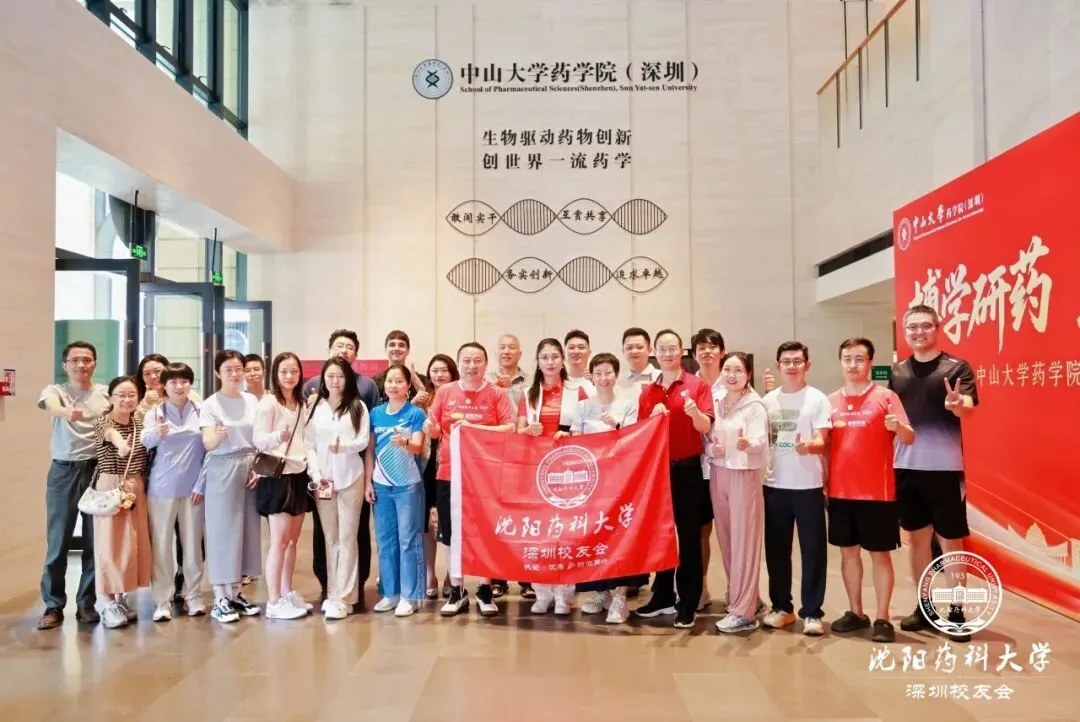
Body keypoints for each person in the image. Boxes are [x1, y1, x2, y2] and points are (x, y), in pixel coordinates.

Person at [890, 305, 979, 640]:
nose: (919, 332)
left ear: (937, 328)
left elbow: (967, 408)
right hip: (906, 467)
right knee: (916, 541)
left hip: (944, 469)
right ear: (905, 332)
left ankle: (957, 610)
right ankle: (924, 606)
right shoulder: (897, 372)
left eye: (925, 326)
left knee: (951, 540)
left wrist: (957, 405)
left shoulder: (956, 367)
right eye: (912, 327)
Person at [828, 337, 914, 643]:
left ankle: (882, 618)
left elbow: (909, 437)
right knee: (848, 554)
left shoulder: (886, 397)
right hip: (840, 492)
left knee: (880, 556)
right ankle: (856, 612)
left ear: (869, 363)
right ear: (841, 362)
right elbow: (824, 444)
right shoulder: (831, 401)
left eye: (859, 359)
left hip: (878, 493)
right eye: (847, 359)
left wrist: (898, 427)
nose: (853, 365)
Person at [425, 342, 516, 617]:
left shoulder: (497, 394)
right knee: (450, 533)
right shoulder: (445, 392)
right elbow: (434, 430)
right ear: (459, 364)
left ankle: (485, 590)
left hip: (485, 476)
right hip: (449, 474)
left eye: (477, 360)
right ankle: (457, 590)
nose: (472, 365)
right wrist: (431, 427)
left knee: (485, 532)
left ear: (486, 364)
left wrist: (472, 427)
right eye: (466, 360)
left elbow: (510, 428)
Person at [632, 329, 714, 629]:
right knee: (661, 535)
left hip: (688, 469)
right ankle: (662, 595)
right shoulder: (647, 391)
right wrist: (652, 418)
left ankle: (688, 601)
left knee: (689, 535)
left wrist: (694, 413)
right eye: (662, 348)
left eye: (672, 348)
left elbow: (705, 427)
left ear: (682, 351)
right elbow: (640, 434)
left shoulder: (697, 385)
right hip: (656, 471)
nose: (667, 353)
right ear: (654, 352)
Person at [303, 329, 380, 608]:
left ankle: (347, 597)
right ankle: (332, 593)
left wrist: (343, 447)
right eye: (330, 376)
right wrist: (316, 474)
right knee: (329, 538)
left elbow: (363, 440)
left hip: (351, 479)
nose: (335, 381)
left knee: (349, 538)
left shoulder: (358, 406)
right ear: (323, 378)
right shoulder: (314, 407)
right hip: (323, 481)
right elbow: (309, 443)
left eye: (340, 376)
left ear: (348, 378)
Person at [37, 341, 110, 630]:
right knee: (58, 542)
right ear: (65, 365)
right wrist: (66, 412)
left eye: (87, 360)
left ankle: (86, 603)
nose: (82, 365)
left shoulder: (104, 393)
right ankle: (53, 605)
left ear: (95, 364)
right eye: (75, 360)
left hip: (96, 471)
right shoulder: (55, 391)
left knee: (94, 542)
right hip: (63, 471)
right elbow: (52, 407)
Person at [760, 342, 831, 637]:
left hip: (808, 486)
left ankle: (812, 612)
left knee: (813, 550)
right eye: (786, 361)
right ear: (778, 366)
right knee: (777, 551)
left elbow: (822, 440)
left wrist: (810, 446)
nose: (792, 366)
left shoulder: (817, 399)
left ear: (807, 365)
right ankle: (782, 608)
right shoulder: (768, 400)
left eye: (797, 361)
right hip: (774, 485)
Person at [517, 338, 589, 615]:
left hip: (566, 469)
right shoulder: (528, 393)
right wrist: (528, 431)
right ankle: (542, 591)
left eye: (554, 357)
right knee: (539, 533)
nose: (550, 362)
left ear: (562, 360)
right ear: (538, 361)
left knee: (565, 532)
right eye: (544, 357)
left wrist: (570, 435)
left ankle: (564, 593)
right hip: (535, 469)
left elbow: (584, 427)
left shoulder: (576, 390)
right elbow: (518, 430)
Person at [571, 353, 644, 624]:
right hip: (592, 481)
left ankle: (621, 596)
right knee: (595, 533)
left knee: (621, 532)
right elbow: (576, 440)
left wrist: (618, 426)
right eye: (598, 373)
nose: (603, 377)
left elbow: (636, 438)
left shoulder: (627, 404)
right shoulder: (582, 406)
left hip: (621, 479)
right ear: (591, 376)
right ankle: (600, 591)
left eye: (608, 372)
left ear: (616, 375)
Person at [198, 350, 262, 624]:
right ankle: (220, 597)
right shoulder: (210, 404)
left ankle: (236, 592)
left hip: (250, 467)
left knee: (247, 531)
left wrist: (259, 467)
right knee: (223, 532)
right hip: (223, 466)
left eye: (238, 369)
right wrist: (218, 436)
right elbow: (207, 443)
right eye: (229, 369)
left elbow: (260, 437)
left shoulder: (252, 400)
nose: (235, 374)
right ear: (218, 373)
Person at [709, 352, 770, 634]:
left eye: (738, 370)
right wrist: (711, 448)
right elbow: (707, 436)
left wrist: (748, 444)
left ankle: (744, 612)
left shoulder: (754, 405)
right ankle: (745, 597)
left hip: (744, 474)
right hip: (719, 471)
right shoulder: (718, 399)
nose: (731, 375)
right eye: (727, 369)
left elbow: (760, 441)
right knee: (726, 538)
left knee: (744, 541)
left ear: (748, 375)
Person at [141, 362, 207, 621]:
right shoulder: (155, 413)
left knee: (193, 546)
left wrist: (201, 484)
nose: (179, 386)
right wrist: (156, 433)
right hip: (161, 489)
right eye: (173, 382)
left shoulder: (201, 411)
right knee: (161, 546)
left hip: (194, 490)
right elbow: (145, 441)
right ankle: (162, 600)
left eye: (184, 381)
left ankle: (193, 595)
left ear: (190, 384)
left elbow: (209, 450)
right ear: (164, 386)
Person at [253, 352, 312, 620]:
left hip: (299, 473)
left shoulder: (300, 402)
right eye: (284, 371)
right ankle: (274, 601)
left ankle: (287, 593)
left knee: (292, 540)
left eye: (294, 371)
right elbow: (258, 439)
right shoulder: (269, 403)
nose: (289, 376)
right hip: (276, 476)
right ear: (275, 374)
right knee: (278, 541)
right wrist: (278, 436)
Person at [366, 364, 429, 617]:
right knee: (385, 541)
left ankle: (409, 595)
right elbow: (370, 451)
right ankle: (390, 593)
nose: (393, 385)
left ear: (408, 386)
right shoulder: (375, 413)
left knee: (408, 540)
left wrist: (405, 443)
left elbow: (418, 447)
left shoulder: (415, 414)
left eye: (399, 381)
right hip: (380, 486)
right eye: (390, 381)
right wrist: (368, 482)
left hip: (408, 486)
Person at [92, 375, 153, 628]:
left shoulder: (140, 422)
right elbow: (111, 435)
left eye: (132, 395)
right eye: (121, 395)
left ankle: (121, 598)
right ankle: (107, 603)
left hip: (136, 486)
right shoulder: (103, 421)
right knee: (110, 544)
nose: (127, 400)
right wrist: (121, 446)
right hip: (111, 485)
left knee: (132, 544)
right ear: (111, 397)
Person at [691, 328, 726, 611]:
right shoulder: (688, 385)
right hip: (698, 467)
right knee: (701, 530)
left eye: (712, 346)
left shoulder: (734, 382)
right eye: (701, 347)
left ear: (721, 352)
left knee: (731, 530)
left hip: (728, 468)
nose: (707, 351)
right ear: (694, 354)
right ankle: (700, 587)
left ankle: (738, 588)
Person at [423, 354, 459, 598]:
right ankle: (430, 575)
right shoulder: (421, 399)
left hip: (450, 466)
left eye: (444, 370)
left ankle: (450, 575)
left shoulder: (457, 396)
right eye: (435, 370)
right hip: (425, 466)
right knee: (427, 523)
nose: (439, 374)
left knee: (447, 522)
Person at [372, 330, 431, 406]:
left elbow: (428, 404)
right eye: (392, 345)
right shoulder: (375, 381)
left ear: (408, 350)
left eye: (401, 345)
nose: (396, 348)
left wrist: (413, 376)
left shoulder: (421, 379)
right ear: (386, 349)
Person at [563, 329, 597, 395]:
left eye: (581, 347)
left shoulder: (599, 381)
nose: (576, 351)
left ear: (589, 352)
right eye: (571, 347)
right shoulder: (558, 382)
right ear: (564, 353)